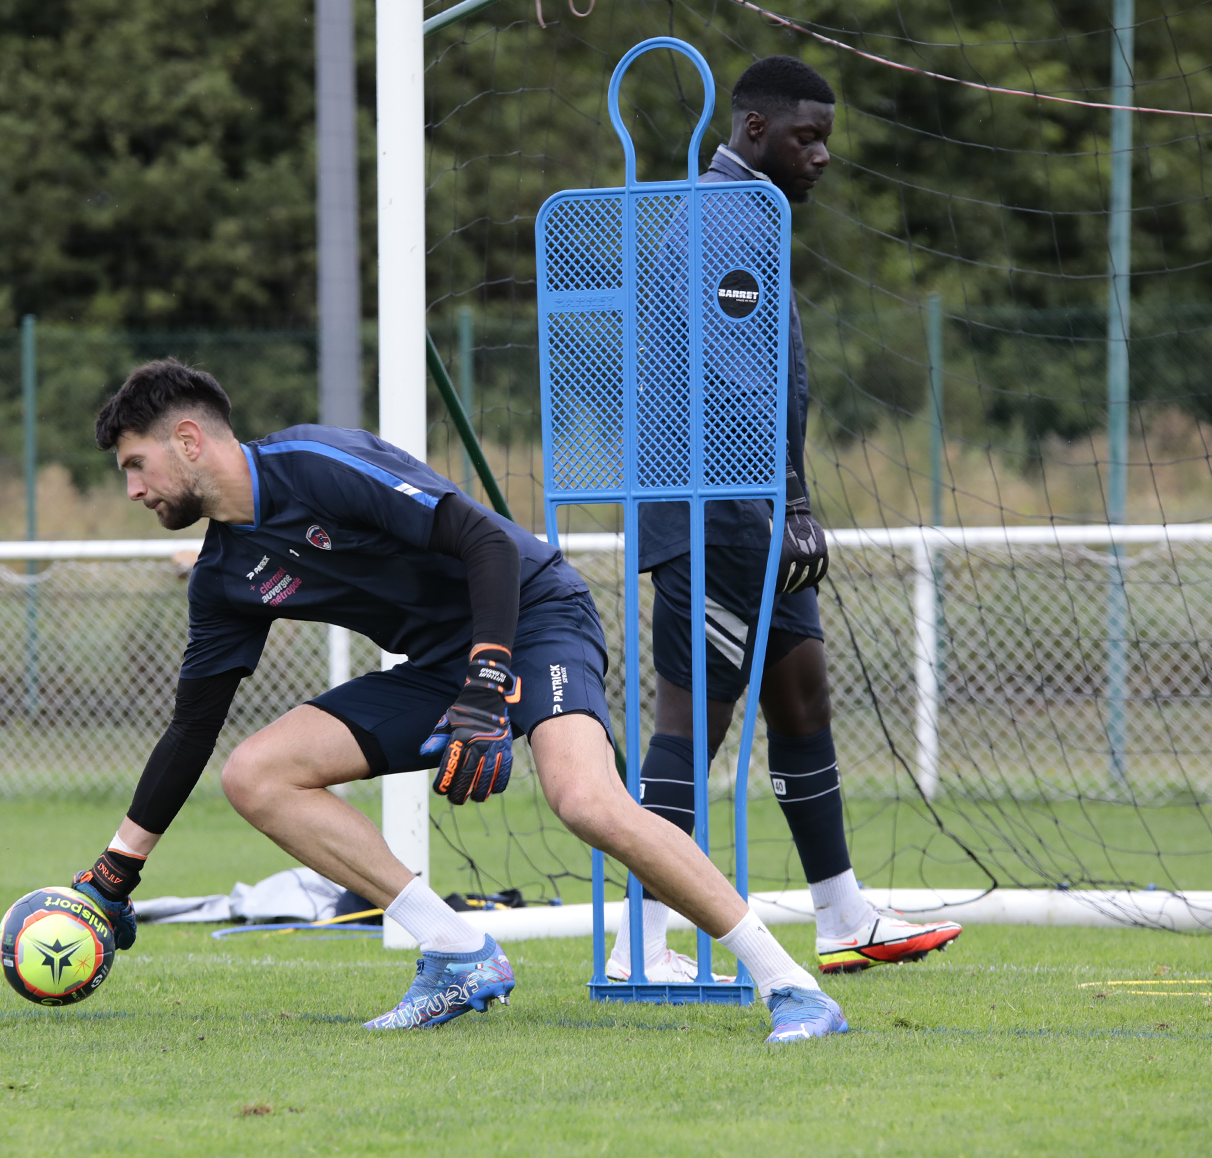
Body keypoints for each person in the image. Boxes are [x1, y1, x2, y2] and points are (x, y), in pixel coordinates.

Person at [64, 358, 848, 1041]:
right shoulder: (223, 577)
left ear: (189, 440)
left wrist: (487, 681)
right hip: (441, 666)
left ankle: (792, 987)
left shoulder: (316, 462)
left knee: (586, 801)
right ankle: (457, 953)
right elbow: (191, 728)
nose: (133, 489)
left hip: (534, 616)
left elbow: (489, 541)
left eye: (136, 464)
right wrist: (115, 872)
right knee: (255, 774)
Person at [609, 54, 962, 983]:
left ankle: (842, 915)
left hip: (742, 509)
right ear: (755, 129)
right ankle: (640, 941)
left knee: (800, 689)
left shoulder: (748, 212)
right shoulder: (725, 219)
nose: (823, 155)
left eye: (827, 139)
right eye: (808, 137)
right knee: (693, 718)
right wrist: (792, 504)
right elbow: (735, 386)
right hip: (719, 510)